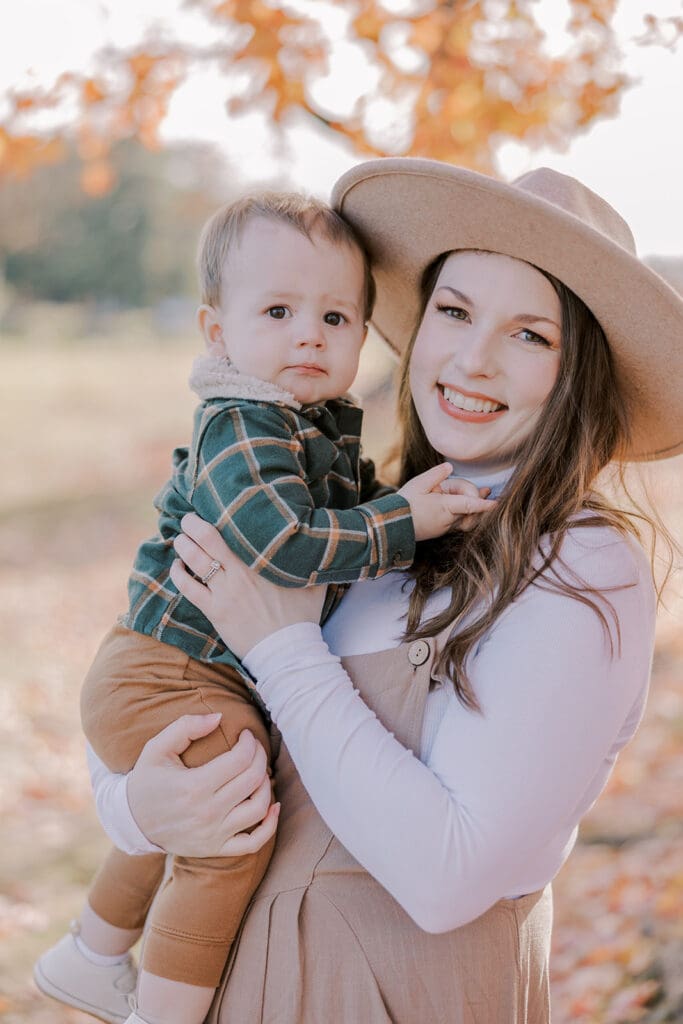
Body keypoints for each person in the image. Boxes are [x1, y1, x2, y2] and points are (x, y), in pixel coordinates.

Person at [63, 161, 683, 1023]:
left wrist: (282, 647)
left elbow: (446, 878)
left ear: (576, 374)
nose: (471, 359)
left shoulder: (577, 566)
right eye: (454, 312)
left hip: (392, 998)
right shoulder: (356, 518)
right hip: (239, 983)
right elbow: (155, 668)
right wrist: (137, 809)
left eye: (529, 335)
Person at [34, 190, 494, 1024]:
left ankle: (90, 953)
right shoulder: (245, 423)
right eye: (278, 311)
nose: (309, 334)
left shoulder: (310, 426)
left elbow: (352, 520)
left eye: (336, 316)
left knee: (202, 800)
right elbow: (280, 543)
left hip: (179, 670)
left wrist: (406, 513)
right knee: (229, 832)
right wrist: (404, 520)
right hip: (165, 670)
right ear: (218, 333)